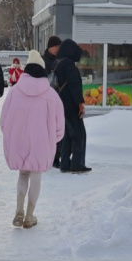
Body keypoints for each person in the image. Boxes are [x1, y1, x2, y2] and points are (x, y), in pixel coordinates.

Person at [0, 50, 65, 228]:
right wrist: (53, 139)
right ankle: (30, 215)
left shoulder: (14, 92)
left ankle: (18, 210)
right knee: (36, 175)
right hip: (42, 143)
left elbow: (4, 120)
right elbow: (60, 126)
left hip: (19, 141)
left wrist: (10, 136)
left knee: (23, 173)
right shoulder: (51, 95)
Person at [53, 39, 91, 173]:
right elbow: (75, 87)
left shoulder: (59, 64)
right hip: (71, 105)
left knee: (68, 135)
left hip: (62, 105)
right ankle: (76, 164)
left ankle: (64, 164)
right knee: (79, 134)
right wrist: (80, 104)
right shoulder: (69, 65)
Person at [42, 35, 62, 167]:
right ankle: (47, 155)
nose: (58, 49)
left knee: (56, 129)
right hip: (45, 100)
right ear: (51, 47)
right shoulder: (43, 61)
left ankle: (56, 157)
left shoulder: (59, 61)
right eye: (56, 47)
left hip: (58, 98)